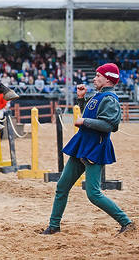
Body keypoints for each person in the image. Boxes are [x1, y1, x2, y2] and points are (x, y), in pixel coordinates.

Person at [41, 63, 135, 235]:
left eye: (98, 76)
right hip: (83, 146)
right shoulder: (99, 96)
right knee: (62, 186)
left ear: (108, 79)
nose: (94, 78)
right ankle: (54, 226)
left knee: (93, 194)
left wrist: (84, 122)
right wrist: (81, 99)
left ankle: (126, 222)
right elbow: (89, 115)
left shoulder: (110, 99)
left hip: (95, 148)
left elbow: (110, 125)